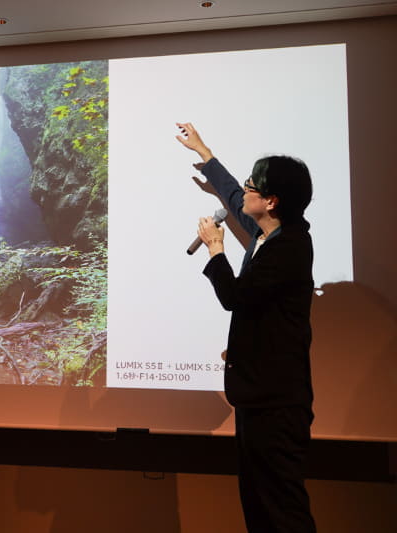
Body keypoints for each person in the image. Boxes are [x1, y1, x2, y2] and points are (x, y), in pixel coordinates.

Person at [176, 123, 317, 533]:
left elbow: (235, 298)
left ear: (271, 201)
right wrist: (205, 152)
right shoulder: (268, 232)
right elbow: (236, 198)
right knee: (259, 508)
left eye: (254, 185)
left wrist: (216, 248)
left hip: (276, 406)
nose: (245, 190)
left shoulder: (289, 247)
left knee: (281, 511)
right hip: (259, 398)